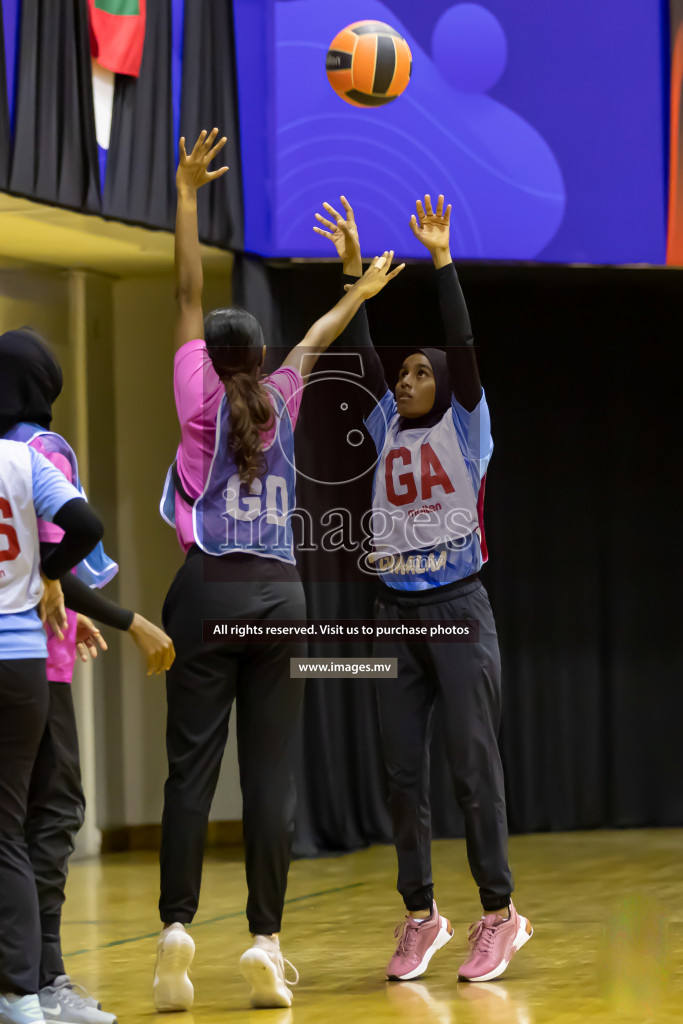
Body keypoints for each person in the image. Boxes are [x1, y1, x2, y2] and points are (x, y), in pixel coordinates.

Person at [155, 128, 404, 1011]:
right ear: (256, 360)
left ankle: (177, 930)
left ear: (210, 359)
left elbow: (188, 289)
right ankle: (265, 941)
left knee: (190, 771)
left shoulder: (195, 391)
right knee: (273, 778)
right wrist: (355, 280)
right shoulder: (285, 396)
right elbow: (316, 335)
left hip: (207, 589)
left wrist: (188, 195)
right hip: (282, 594)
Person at [314, 194, 532, 982]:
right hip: (391, 616)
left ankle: (501, 916)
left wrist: (440, 260)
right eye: (401, 373)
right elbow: (360, 357)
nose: (403, 378)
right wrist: (351, 273)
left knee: (473, 774)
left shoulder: (464, 425)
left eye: (417, 371)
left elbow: (462, 346)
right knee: (401, 774)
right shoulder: (383, 430)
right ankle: (420, 916)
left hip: (457, 610)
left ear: (441, 383)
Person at [0, 328, 175, 1024]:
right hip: (32, 665)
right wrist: (134, 621)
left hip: (32, 652)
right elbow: (56, 569)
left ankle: (36, 980)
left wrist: (70, 605)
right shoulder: (37, 451)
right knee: (50, 817)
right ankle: (44, 980)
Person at [0, 437, 104, 1024]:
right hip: (21, 659)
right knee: (11, 830)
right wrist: (48, 574)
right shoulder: (25, 460)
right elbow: (87, 525)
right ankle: (24, 993)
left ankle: (27, 988)